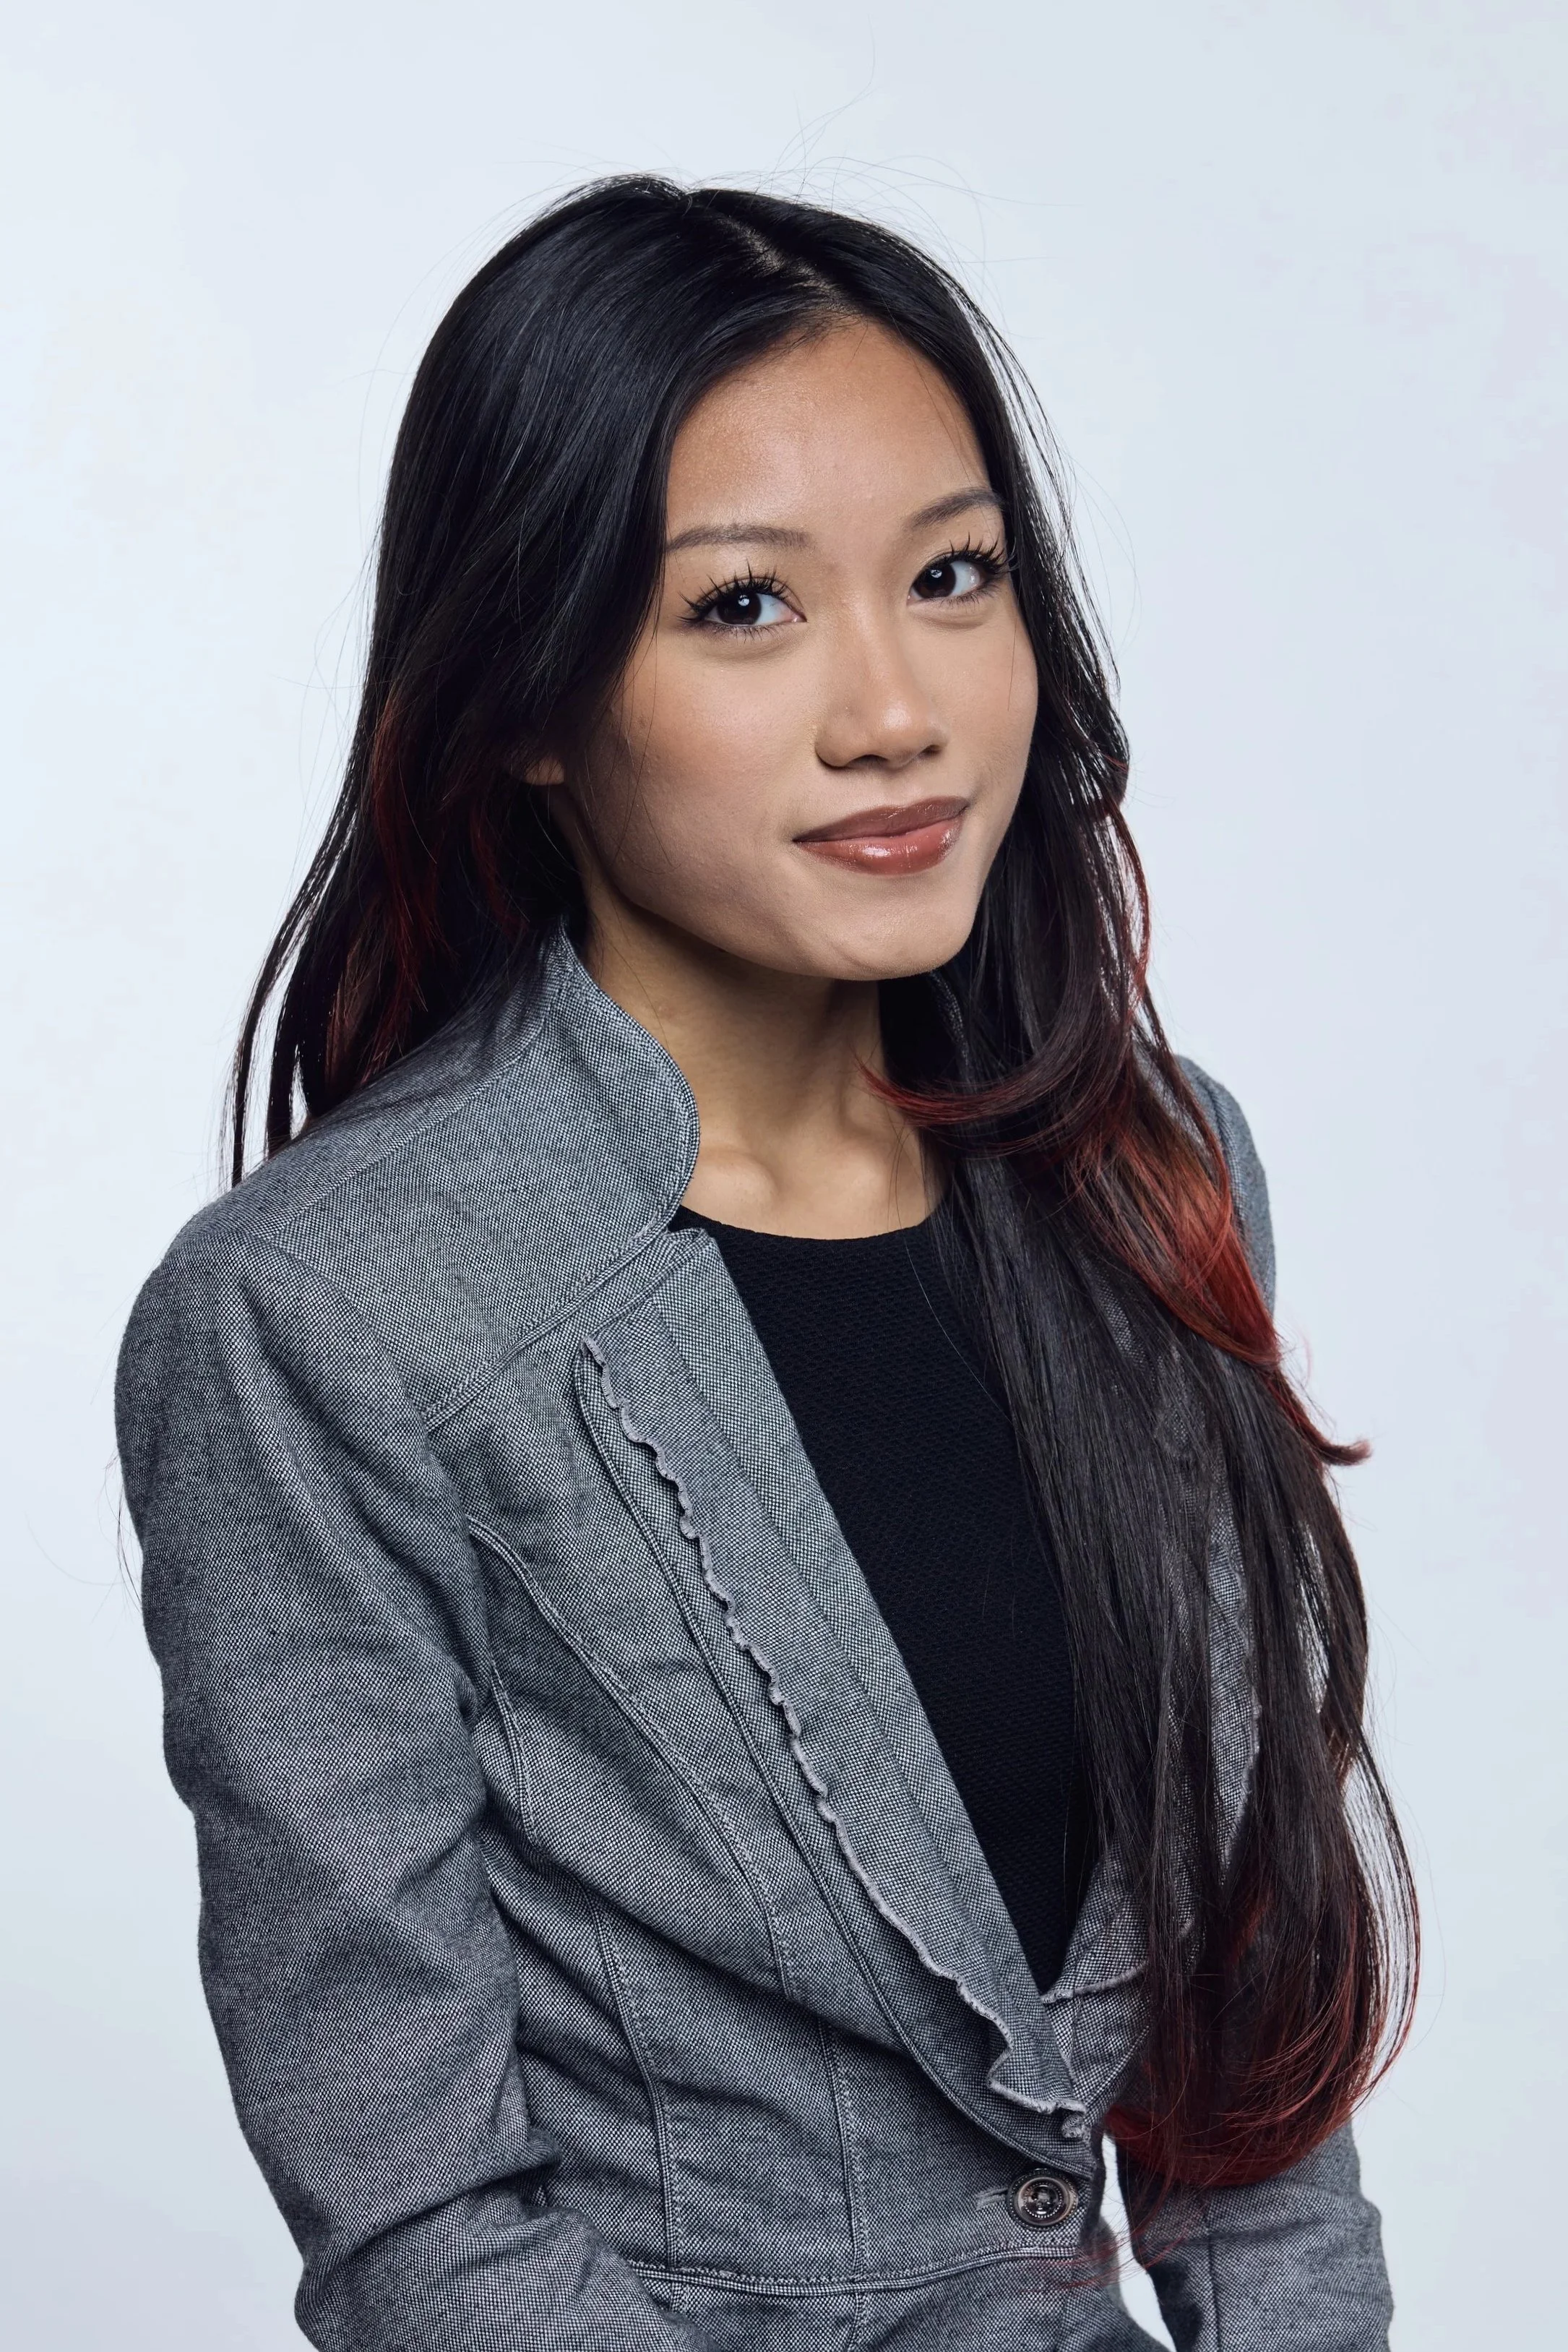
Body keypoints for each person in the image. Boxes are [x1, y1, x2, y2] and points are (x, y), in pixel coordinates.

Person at [116, 178, 1416, 2352]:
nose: (893, 708)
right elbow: (428, 2237)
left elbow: (1246, 2098)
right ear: (529, 695)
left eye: (952, 575)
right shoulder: (320, 1316)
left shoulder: (1148, 1178)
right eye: (744, 609)